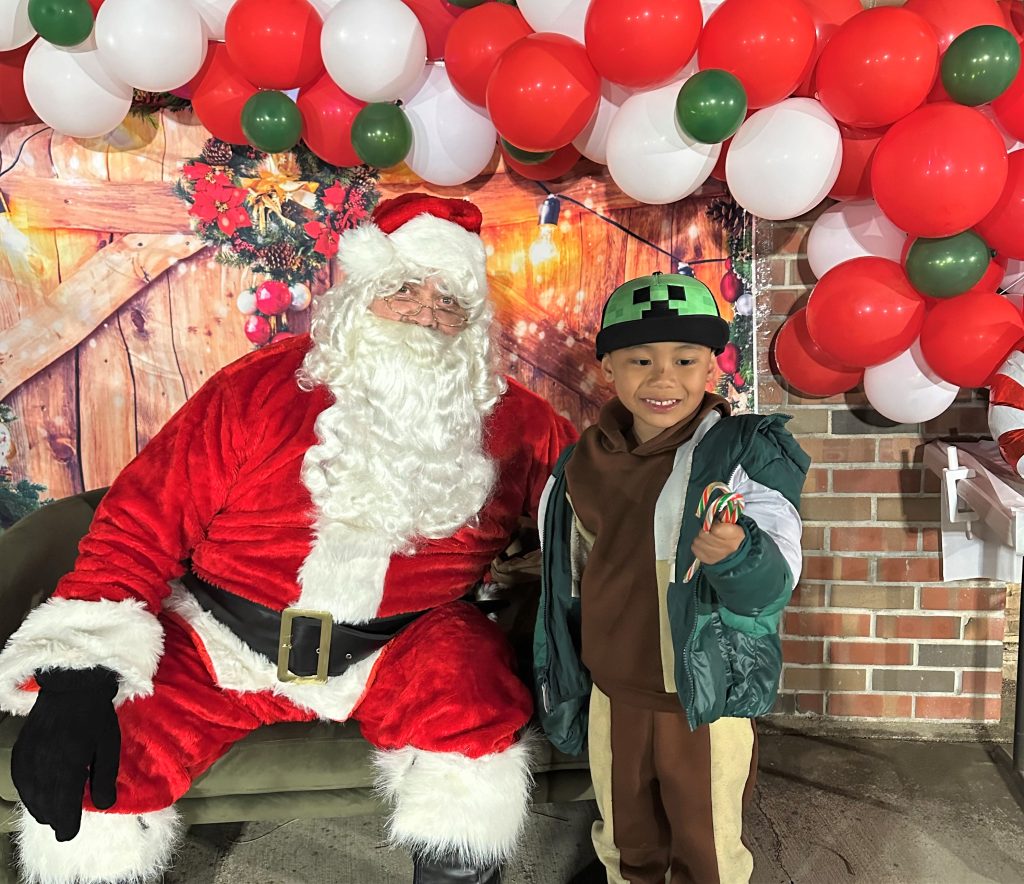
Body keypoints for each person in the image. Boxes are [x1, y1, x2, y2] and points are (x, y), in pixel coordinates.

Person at [0, 193, 577, 884]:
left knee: (472, 713)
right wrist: (78, 674)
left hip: (402, 644)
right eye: (401, 289)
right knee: (100, 762)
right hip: (222, 636)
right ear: (362, 293)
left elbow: (594, 508)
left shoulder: (520, 419)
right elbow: (139, 522)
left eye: (449, 301)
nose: (426, 312)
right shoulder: (258, 388)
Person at [534, 271, 809, 884]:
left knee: (705, 839)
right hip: (614, 690)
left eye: (685, 359)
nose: (663, 378)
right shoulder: (582, 461)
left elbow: (778, 578)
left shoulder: (746, 450)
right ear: (608, 367)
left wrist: (738, 554)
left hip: (701, 697)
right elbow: (570, 575)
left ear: (712, 364)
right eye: (639, 359)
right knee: (625, 832)